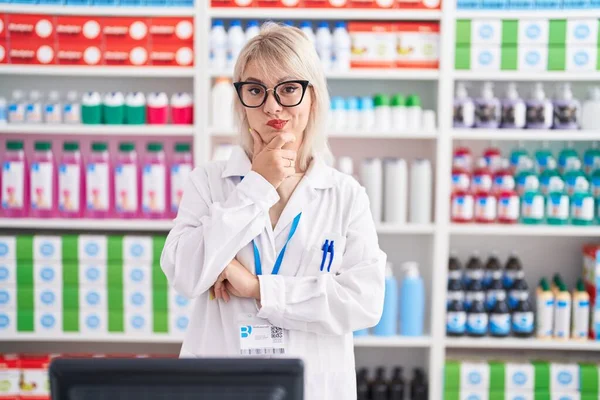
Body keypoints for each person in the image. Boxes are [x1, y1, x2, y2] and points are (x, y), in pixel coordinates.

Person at [161, 22, 386, 400]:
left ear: (312, 96)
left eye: (288, 89)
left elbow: (364, 301)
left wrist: (259, 288)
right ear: (240, 101)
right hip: (222, 384)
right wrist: (256, 186)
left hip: (314, 386)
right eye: (255, 90)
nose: (271, 105)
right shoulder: (210, 182)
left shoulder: (345, 194)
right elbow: (185, 275)